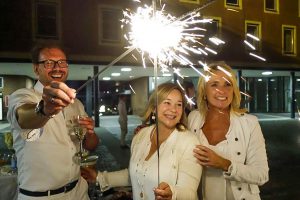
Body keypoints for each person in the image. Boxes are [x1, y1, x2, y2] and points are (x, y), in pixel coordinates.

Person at [7, 42, 99, 200]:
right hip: (41, 196)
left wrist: (90, 132)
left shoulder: (76, 103)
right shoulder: (23, 96)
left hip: (79, 191)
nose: (57, 67)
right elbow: (22, 117)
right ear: (37, 69)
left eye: (62, 62)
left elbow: (90, 145)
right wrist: (45, 109)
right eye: (49, 63)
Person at [81, 82, 202, 199]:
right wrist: (99, 177)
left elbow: (189, 192)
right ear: (154, 108)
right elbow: (135, 174)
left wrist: (172, 194)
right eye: (167, 103)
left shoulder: (190, 142)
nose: (173, 109)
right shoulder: (141, 136)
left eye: (179, 104)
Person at [188, 62, 269, 200]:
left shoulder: (249, 123)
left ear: (234, 90)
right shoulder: (193, 118)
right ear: (204, 91)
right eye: (214, 85)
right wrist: (148, 130)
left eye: (227, 84)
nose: (222, 90)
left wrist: (225, 164)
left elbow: (262, 175)